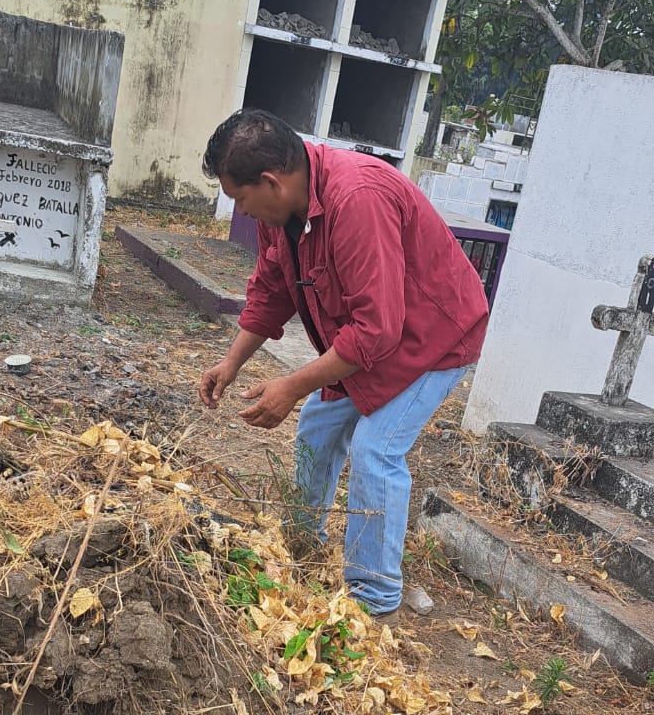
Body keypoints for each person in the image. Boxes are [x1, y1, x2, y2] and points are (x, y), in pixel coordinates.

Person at [198, 109, 488, 623]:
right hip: (374, 337)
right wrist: (231, 363)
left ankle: (373, 602)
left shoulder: (357, 199)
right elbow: (270, 292)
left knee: (376, 450)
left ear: (271, 181)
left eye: (240, 199)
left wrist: (291, 385)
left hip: (436, 337)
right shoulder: (281, 215)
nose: (240, 211)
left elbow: (377, 330)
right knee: (318, 424)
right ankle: (302, 543)